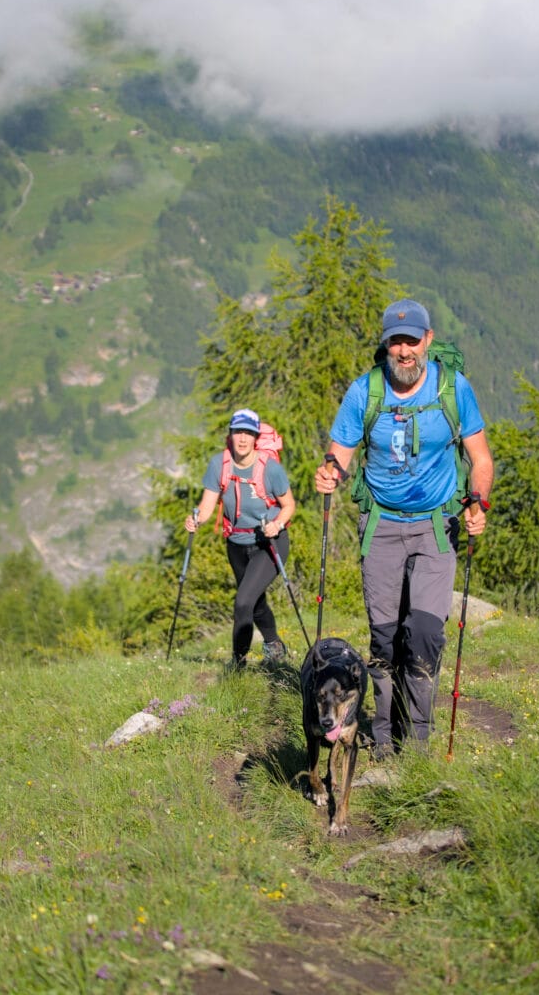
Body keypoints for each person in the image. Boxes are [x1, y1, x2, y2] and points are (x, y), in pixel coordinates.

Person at [315, 299, 494, 758]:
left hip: (437, 527)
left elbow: (481, 458)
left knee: (425, 635)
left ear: (428, 341)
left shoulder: (453, 390)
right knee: (383, 640)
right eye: (395, 341)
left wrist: (479, 501)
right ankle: (381, 735)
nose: (404, 350)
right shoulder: (365, 392)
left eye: (412, 340)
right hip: (382, 528)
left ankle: (416, 742)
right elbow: (341, 453)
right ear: (386, 345)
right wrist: (330, 471)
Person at [185, 408, 296, 669]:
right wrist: (196, 519)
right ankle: (274, 645)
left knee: (243, 600)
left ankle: (237, 664)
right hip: (235, 543)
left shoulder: (270, 468)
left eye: (248, 433)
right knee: (254, 602)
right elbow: (208, 505)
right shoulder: (219, 464)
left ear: (256, 437)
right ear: (231, 435)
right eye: (238, 432)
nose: (243, 438)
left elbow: (289, 504)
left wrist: (277, 524)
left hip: (268, 542)